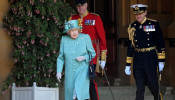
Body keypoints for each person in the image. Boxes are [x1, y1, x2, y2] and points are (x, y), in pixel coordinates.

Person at [125, 4, 165, 100]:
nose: (138, 16)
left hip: (150, 58)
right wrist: (127, 64)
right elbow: (131, 46)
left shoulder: (153, 24)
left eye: (140, 14)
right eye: (136, 14)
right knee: (139, 88)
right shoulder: (133, 26)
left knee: (154, 87)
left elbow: (160, 43)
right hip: (138, 58)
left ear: (145, 13)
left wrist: (161, 60)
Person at [69, 0, 107, 100]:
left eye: (81, 5)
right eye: (77, 6)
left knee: (90, 81)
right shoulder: (73, 18)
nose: (79, 8)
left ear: (86, 5)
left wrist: (103, 58)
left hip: (91, 56)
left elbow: (102, 38)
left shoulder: (95, 18)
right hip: (76, 56)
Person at [56, 20, 96, 100]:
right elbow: (60, 58)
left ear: (78, 30)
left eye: (75, 30)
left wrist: (84, 57)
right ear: (68, 32)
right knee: (70, 96)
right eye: (71, 31)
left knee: (81, 95)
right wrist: (59, 71)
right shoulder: (64, 39)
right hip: (69, 73)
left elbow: (93, 53)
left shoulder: (85, 37)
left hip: (82, 72)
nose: (74, 32)